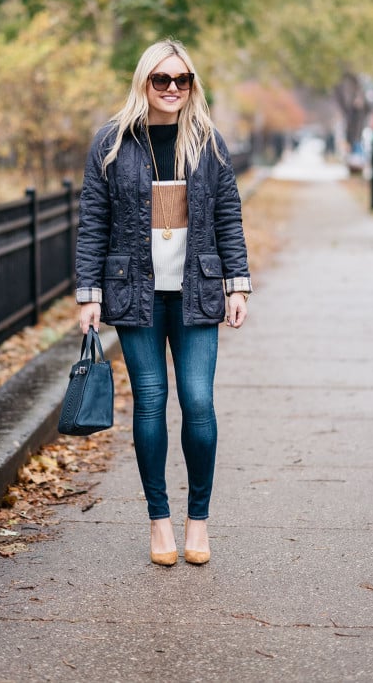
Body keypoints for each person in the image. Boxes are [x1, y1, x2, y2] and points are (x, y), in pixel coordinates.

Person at [76, 39, 251, 566]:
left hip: (197, 290)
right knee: (150, 401)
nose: (172, 88)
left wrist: (237, 284)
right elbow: (93, 221)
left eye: (182, 79)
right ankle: (159, 521)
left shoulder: (208, 142)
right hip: (135, 292)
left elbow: (228, 216)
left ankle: (198, 520)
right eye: (162, 79)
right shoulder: (112, 142)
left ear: (192, 84)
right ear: (144, 81)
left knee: (198, 402)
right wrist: (89, 295)